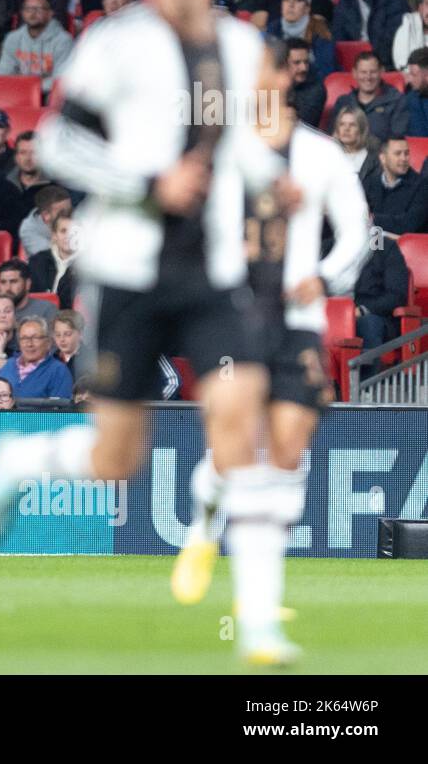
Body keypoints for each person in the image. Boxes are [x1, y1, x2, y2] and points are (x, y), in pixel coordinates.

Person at [0, 0, 296, 666]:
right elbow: (57, 142)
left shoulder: (243, 47)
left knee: (240, 417)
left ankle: (257, 625)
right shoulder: (113, 45)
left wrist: (274, 185)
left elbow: (246, 151)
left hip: (213, 274)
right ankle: (21, 462)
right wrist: (149, 182)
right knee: (117, 457)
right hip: (124, 272)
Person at [172, 39, 368, 665]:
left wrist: (328, 276)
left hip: (299, 319)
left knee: (285, 452)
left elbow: (357, 229)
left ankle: (252, 597)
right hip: (233, 316)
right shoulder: (224, 147)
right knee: (235, 443)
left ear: (285, 76)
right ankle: (220, 552)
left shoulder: (319, 153)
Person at [0, 0, 73, 97]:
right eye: (28, 9)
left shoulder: (63, 40)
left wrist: (30, 86)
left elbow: (61, 80)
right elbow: (3, 75)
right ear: (22, 13)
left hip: (48, 96)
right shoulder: (12, 38)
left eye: (38, 9)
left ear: (50, 14)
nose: (32, 13)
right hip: (16, 93)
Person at [0, 316, 74, 399]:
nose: (29, 344)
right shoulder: (10, 365)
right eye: (24, 338)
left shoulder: (58, 371)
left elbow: (59, 409)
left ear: (48, 343)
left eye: (35, 338)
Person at [363, 135, 428, 234]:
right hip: (371, 239)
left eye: (406, 153)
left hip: (402, 246)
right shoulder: (371, 181)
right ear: (383, 158)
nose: (403, 158)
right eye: (398, 154)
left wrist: (372, 219)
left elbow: (409, 224)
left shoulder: (422, 185)